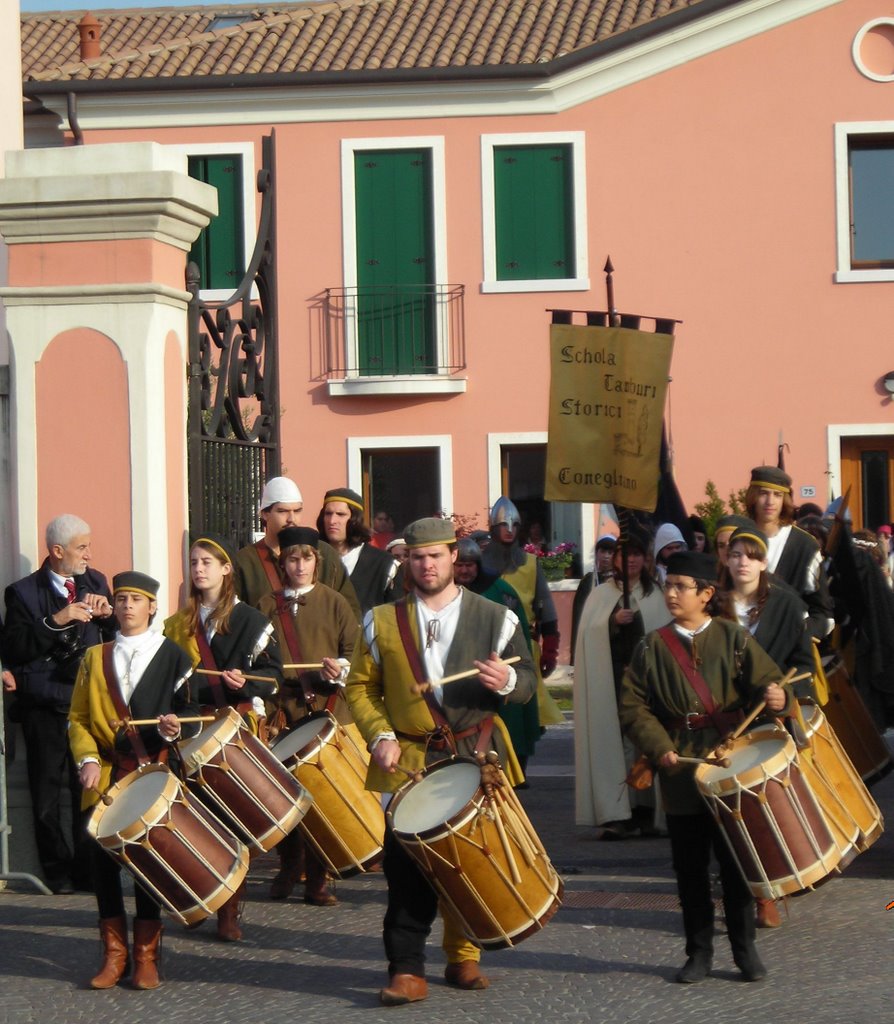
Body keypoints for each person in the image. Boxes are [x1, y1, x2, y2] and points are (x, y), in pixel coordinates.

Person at [346, 517, 536, 1006]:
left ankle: (464, 953)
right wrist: (379, 735)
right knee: (406, 868)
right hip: (407, 756)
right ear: (406, 560)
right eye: (417, 556)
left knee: (469, 859)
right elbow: (361, 688)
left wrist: (507, 684)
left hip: (473, 752)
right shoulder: (381, 619)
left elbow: (529, 684)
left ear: (455, 556)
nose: (426, 564)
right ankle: (406, 969)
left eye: (435, 555)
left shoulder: (497, 617)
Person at [618, 551, 789, 985]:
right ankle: (698, 953)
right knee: (689, 868)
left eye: (681, 586)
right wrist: (659, 748)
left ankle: (745, 950)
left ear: (707, 594)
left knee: (736, 866)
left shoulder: (734, 638)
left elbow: (771, 684)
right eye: (668, 585)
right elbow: (633, 707)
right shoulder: (651, 645)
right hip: (680, 770)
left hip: (729, 765)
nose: (671, 594)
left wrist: (777, 699)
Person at [68, 571, 199, 990]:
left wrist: (175, 729)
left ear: (152, 607)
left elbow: (192, 718)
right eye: (121, 598)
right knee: (102, 866)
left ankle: (146, 956)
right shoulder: (94, 657)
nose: (127, 606)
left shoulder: (175, 656)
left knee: (146, 864)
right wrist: (87, 758)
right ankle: (114, 955)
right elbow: (78, 719)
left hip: (151, 772)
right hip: (105, 773)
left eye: (136, 599)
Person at [163, 534, 283, 941]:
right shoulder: (176, 625)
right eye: (194, 562)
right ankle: (197, 898)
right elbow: (169, 683)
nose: (199, 569)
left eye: (207, 562)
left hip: (236, 729)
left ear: (226, 569)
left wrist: (248, 680)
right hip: (191, 731)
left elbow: (275, 675)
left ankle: (230, 909)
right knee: (191, 822)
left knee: (234, 822)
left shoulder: (251, 620)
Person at [0, 514, 116, 893]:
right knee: (46, 796)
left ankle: (87, 871)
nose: (89, 554)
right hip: (44, 708)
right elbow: (14, 647)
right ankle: (57, 874)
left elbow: (114, 636)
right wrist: (56, 620)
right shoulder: (22, 593)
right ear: (56, 551)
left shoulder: (95, 581)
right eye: (82, 547)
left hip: (86, 707)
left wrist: (107, 615)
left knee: (87, 792)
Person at [257, 526, 359, 906]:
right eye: (293, 559)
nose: (300, 565)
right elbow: (257, 660)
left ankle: (318, 875)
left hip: (328, 709)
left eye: (307, 558)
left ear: (318, 560)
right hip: (284, 711)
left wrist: (340, 669)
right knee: (284, 797)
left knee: (323, 796)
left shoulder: (335, 603)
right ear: (283, 563)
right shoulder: (266, 605)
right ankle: (289, 865)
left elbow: (355, 650)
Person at [573, 528, 671, 837]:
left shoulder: (656, 595)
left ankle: (646, 809)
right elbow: (587, 636)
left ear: (645, 559)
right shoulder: (601, 596)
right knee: (614, 744)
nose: (629, 561)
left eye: (637, 555)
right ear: (615, 558)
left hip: (646, 682)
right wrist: (611, 623)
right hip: (612, 680)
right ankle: (617, 811)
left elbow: (665, 635)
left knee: (644, 738)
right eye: (623, 554)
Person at [453, 536, 535, 784]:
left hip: (498, 674)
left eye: (470, 564)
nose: (465, 570)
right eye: (461, 565)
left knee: (506, 730)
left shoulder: (501, 592)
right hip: (461, 681)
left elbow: (519, 645)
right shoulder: (443, 597)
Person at [480, 497, 564, 729]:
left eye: (514, 525)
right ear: (493, 528)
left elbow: (546, 609)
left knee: (527, 715)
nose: (509, 530)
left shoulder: (530, 563)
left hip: (525, 645)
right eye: (503, 525)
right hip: (489, 645)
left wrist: (550, 650)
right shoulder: (480, 563)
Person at [234, 476, 361, 622]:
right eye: (283, 511)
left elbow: (351, 613)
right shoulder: (245, 561)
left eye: (297, 510)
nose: (291, 518)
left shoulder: (324, 553)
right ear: (265, 513)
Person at [744, 466, 833, 640]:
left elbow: (822, 611)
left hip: (787, 647)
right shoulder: (737, 538)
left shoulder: (804, 545)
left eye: (777, 495)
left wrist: (804, 633)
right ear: (753, 496)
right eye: (764, 493)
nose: (770, 501)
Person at [316, 487, 398, 614]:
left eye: (341, 514)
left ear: (355, 519)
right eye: (328, 514)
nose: (332, 521)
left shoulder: (384, 564)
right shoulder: (310, 559)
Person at [570, 534, 617, 663]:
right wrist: (576, 649)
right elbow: (578, 615)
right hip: (592, 638)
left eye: (610, 552)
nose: (606, 556)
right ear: (596, 553)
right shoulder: (588, 581)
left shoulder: (620, 582)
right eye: (602, 551)